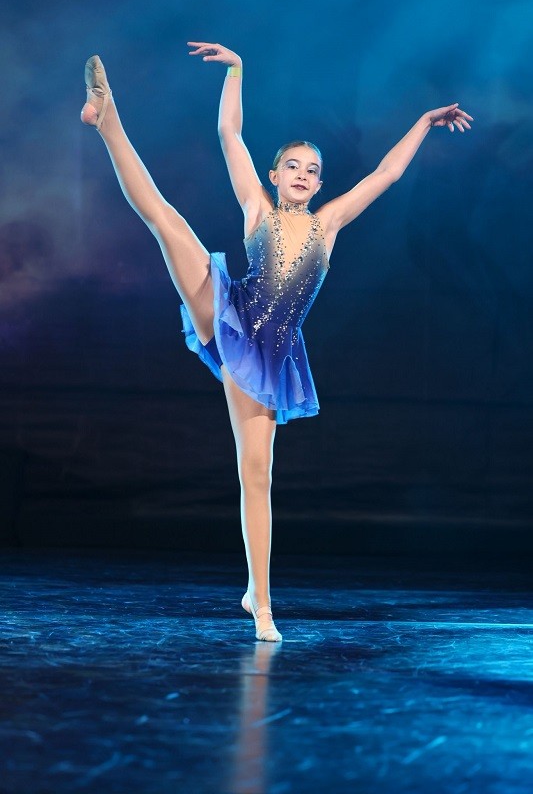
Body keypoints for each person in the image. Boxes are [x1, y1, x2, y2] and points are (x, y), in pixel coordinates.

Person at [80, 43, 473, 642]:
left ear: (319, 183)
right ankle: (107, 119)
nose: (303, 174)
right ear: (275, 175)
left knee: (256, 474)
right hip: (229, 309)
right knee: (166, 219)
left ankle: (258, 599)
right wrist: (237, 70)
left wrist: (422, 121)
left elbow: (386, 174)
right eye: (293, 165)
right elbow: (229, 133)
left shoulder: (328, 224)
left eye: (312, 169)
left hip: (268, 356)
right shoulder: (257, 209)